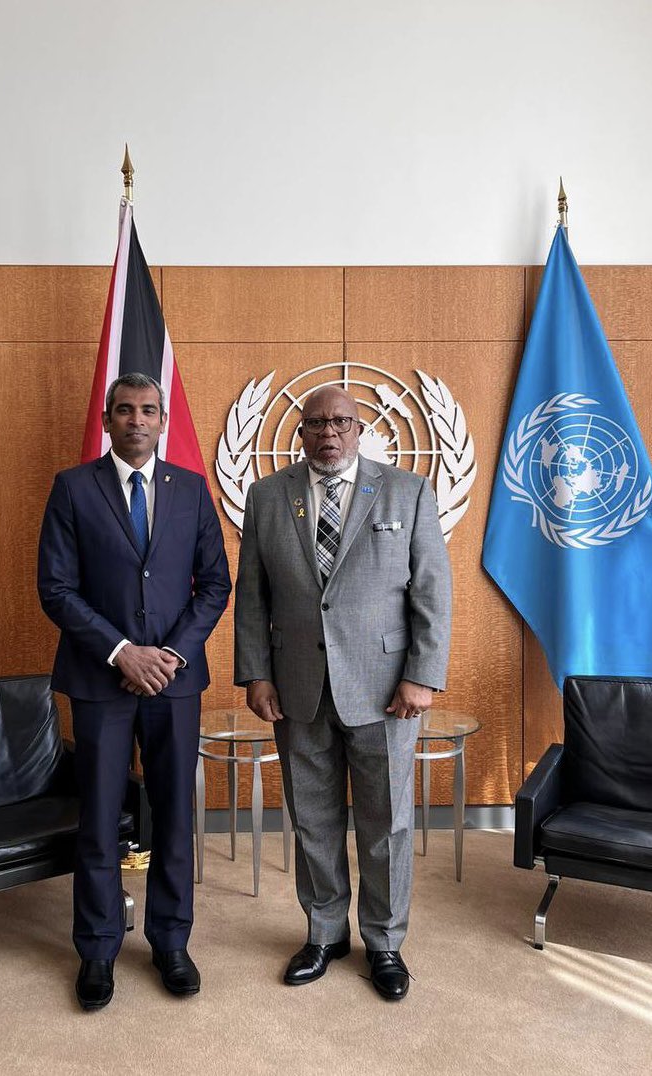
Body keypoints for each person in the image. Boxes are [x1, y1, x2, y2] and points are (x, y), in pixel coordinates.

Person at [234, 385, 451, 1002]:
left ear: (361, 430)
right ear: (300, 432)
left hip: (387, 690)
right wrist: (256, 673)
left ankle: (384, 942)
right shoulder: (268, 496)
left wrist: (422, 675)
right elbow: (252, 594)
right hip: (297, 685)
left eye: (342, 422)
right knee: (312, 819)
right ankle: (324, 932)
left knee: (385, 824)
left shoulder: (407, 491)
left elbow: (432, 593)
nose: (329, 433)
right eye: (316, 423)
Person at [38, 372, 231, 1011]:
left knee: (175, 813)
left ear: (163, 419)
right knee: (98, 817)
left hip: (175, 681)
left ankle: (171, 942)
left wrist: (170, 655)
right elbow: (57, 589)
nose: (138, 421)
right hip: (101, 679)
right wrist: (123, 652)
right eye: (125, 410)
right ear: (108, 419)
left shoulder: (192, 490)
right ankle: (96, 952)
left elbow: (214, 586)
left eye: (149, 410)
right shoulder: (72, 488)